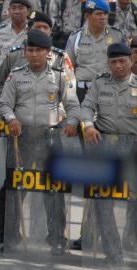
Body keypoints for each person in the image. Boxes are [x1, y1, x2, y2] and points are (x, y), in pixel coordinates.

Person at [0, 29, 80, 256]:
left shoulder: (58, 76)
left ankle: (56, 238)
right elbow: (4, 104)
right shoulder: (15, 75)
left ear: (47, 53)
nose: (34, 54)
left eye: (39, 51)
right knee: (16, 188)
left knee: (53, 190)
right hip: (21, 137)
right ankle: (11, 236)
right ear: (25, 52)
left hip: (50, 137)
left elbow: (72, 105)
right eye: (30, 50)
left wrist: (72, 122)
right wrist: (11, 118)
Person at [80, 42, 134, 266]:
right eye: (114, 62)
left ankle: (130, 241)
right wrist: (88, 126)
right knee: (103, 201)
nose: (118, 66)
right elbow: (86, 108)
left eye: (122, 61)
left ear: (131, 60)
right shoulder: (99, 83)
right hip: (106, 147)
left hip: (133, 149)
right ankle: (114, 253)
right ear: (108, 63)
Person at [65, 0, 126, 103]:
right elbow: (67, 67)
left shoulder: (117, 36)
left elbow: (125, 63)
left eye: (106, 13)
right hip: (81, 91)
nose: (103, 17)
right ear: (87, 16)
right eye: (99, 14)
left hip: (109, 89)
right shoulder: (76, 37)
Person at [0, 0, 29, 75]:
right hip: (4, 78)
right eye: (13, 8)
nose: (16, 11)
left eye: (20, 8)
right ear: (9, 11)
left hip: (26, 77)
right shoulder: (0, 30)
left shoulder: (33, 30)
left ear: (28, 11)